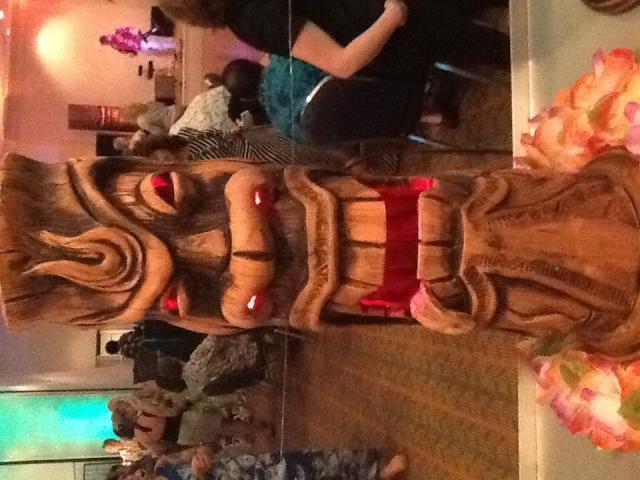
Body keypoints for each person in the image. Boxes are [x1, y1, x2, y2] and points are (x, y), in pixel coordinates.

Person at [158, 0, 509, 83]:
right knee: (500, 48)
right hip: (391, 30)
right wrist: (392, 16)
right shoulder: (256, 18)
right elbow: (342, 63)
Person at [119, 446, 407, 480]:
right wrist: (198, 476)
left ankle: (366, 464)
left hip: (250, 465)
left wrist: (203, 453)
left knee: (310, 462)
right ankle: (379, 474)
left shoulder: (164, 463)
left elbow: (203, 446)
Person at [100, 26, 176, 56]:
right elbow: (125, 49)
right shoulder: (115, 46)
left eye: (106, 40)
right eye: (106, 43)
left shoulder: (118, 32)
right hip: (138, 47)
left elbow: (129, 29)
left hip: (139, 39)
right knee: (157, 47)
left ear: (107, 37)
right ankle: (174, 46)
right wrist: (132, 52)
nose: (108, 42)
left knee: (157, 43)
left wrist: (138, 33)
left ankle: (175, 44)